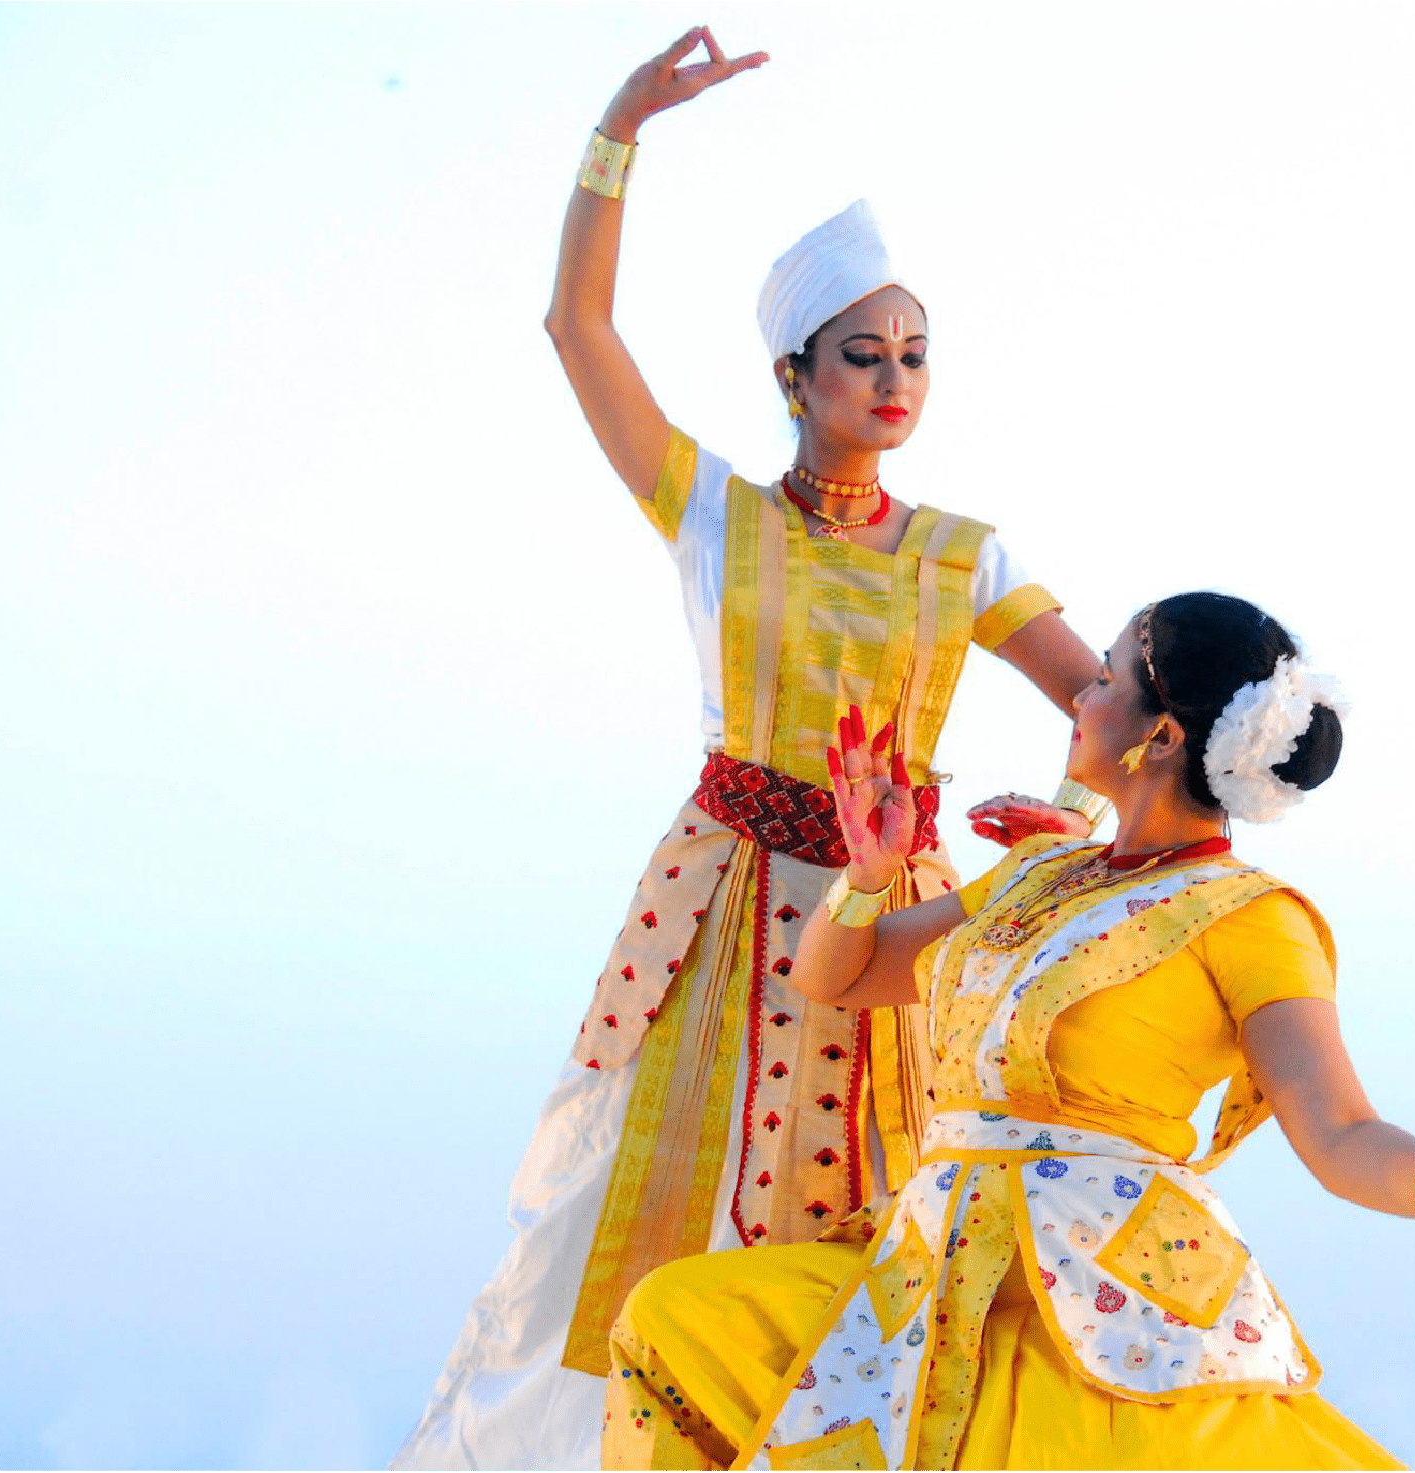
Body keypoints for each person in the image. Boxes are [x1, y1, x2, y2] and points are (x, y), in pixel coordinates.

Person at [400, 29, 1112, 1470]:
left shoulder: (962, 557)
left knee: (890, 1212)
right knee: (658, 1206)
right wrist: (619, 131)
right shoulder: (724, 518)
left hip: (897, 921)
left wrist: (1067, 818)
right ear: (797, 374)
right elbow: (578, 337)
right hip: (730, 906)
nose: (896, 380)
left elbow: (1103, 702)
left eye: (915, 355)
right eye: (865, 355)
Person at [598, 592, 1415, 1471]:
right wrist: (867, 878)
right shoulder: (1040, 874)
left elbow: (1337, 1132)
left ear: (1159, 732)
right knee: (673, 1320)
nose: (1084, 692)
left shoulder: (1251, 919)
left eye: (1105, 675)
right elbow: (846, 977)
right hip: (922, 1266)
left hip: (1099, 1296)